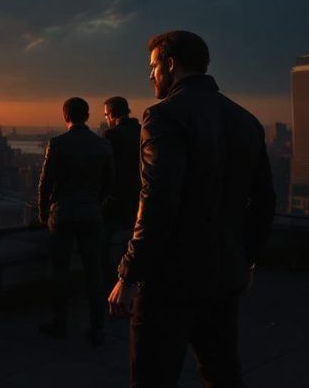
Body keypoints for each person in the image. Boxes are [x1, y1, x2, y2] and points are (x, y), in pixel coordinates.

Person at [108, 31, 275, 387]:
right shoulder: (246, 120)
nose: (150, 75)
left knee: (153, 376)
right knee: (222, 372)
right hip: (225, 273)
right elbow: (264, 201)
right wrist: (247, 260)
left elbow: (158, 199)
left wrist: (129, 274)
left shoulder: (163, 116)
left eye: (154, 66)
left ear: (171, 64)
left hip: (171, 279)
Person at [38, 97, 114, 345]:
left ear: (65, 116)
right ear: (88, 115)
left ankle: (60, 324)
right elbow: (110, 184)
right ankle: (97, 327)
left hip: (62, 213)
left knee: (60, 270)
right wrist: (96, 203)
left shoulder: (57, 144)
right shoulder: (102, 145)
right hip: (91, 213)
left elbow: (45, 182)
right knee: (94, 272)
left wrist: (42, 211)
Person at [101, 96, 141, 294]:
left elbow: (104, 170)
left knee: (103, 243)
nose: (106, 119)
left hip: (118, 200)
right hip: (140, 200)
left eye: (106, 115)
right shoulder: (142, 131)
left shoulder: (111, 135)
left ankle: (114, 286)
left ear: (113, 115)